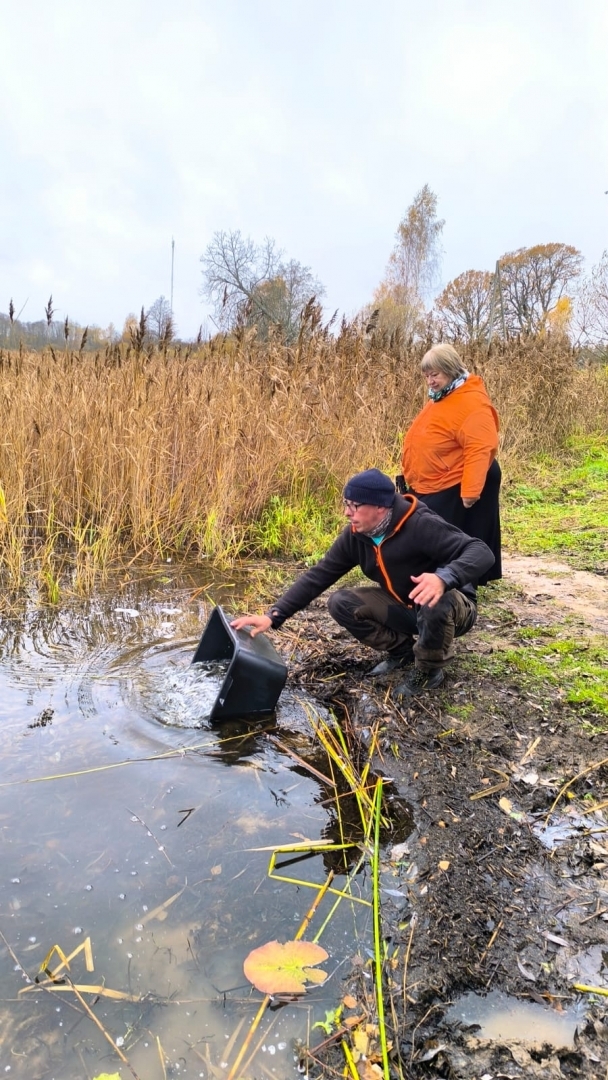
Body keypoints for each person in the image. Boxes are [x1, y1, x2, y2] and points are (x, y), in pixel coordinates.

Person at [231, 468, 494, 697]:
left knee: (436, 600)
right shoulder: (357, 535)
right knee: (341, 603)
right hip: (405, 605)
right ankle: (402, 651)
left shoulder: (420, 524)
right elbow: (319, 575)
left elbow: (481, 552)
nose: (347, 513)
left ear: (380, 507)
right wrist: (274, 616)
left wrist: (443, 578)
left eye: (354, 506)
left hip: (454, 610)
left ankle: (428, 670)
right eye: (346, 504)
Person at [400, 344, 502, 585]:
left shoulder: (472, 403)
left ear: (451, 370)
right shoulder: (443, 396)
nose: (430, 381)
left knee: (448, 536)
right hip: (435, 480)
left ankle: (458, 582)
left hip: (455, 482)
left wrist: (470, 492)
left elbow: (480, 447)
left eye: (435, 374)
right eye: (426, 375)